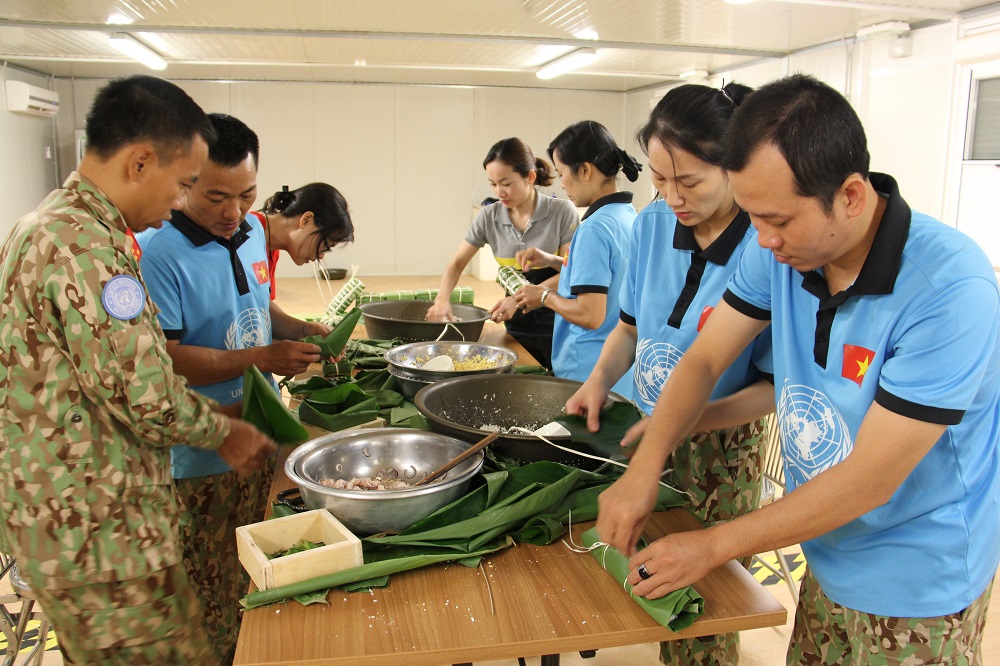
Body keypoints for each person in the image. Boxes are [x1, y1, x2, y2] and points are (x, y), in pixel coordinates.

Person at [600, 74, 1000, 664]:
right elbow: (705, 357)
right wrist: (648, 461)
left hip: (917, 578)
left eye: (779, 220)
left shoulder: (949, 290)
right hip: (825, 543)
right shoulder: (784, 253)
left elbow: (871, 480)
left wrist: (712, 545)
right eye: (753, 216)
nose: (762, 240)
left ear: (851, 196)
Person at [0, 76, 276, 664]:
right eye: (184, 184)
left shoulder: (46, 227)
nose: (178, 203)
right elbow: (144, 391)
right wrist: (225, 430)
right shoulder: (87, 250)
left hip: (69, 522)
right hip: (99, 530)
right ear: (140, 162)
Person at [565, 83, 769, 666]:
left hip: (721, 448)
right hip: (646, 429)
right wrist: (599, 379)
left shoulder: (767, 244)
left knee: (704, 605)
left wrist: (685, 423)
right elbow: (628, 328)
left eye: (690, 182)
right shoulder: (653, 225)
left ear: (733, 167)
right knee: (654, 580)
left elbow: (775, 387)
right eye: (659, 179)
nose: (673, 196)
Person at [137, 113, 340, 663]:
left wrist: (296, 329)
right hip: (200, 453)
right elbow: (166, 359)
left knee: (249, 564)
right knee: (208, 584)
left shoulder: (249, 234)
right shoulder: (160, 255)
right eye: (215, 197)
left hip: (255, 431)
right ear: (184, 182)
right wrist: (260, 357)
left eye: (246, 195)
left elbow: (255, 304)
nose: (233, 212)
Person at [511, 121, 641, 395]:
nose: (562, 184)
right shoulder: (628, 215)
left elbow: (590, 315)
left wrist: (544, 297)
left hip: (585, 370)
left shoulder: (593, 228)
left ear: (584, 170)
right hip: (620, 370)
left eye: (561, 173)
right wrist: (553, 260)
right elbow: (611, 274)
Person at [427, 137, 577, 368]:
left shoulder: (562, 212)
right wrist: (441, 301)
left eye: (506, 183)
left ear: (530, 176)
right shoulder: (488, 216)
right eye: (493, 184)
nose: (499, 192)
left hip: (558, 321)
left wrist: (516, 300)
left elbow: (570, 271)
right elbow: (456, 264)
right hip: (516, 324)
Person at [253, 182, 355, 300]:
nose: (321, 256)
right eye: (326, 245)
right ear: (306, 220)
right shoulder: (244, 234)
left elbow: (263, 304)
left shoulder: (271, 249)